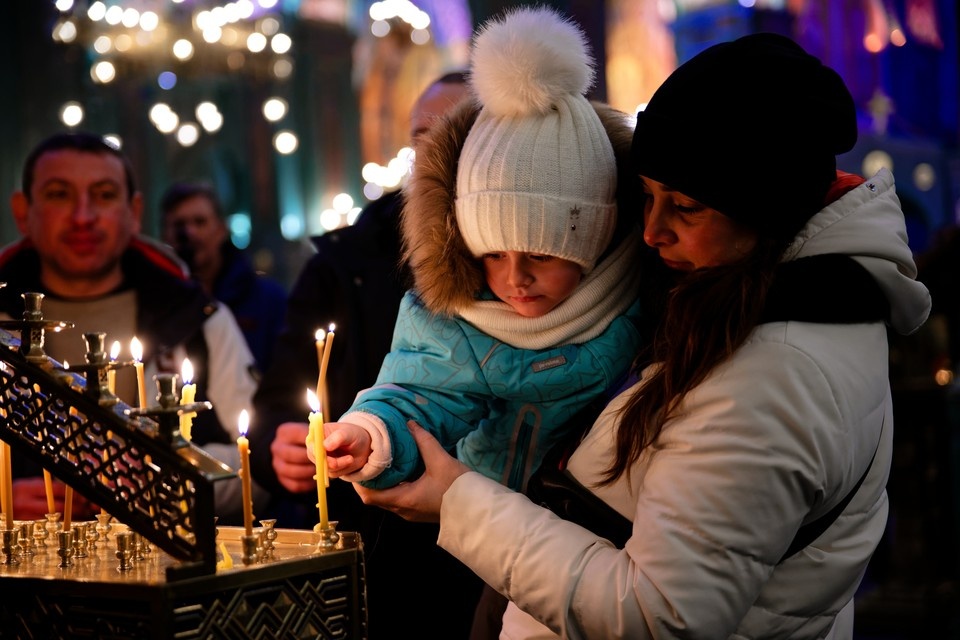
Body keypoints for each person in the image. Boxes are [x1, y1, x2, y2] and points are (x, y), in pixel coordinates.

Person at [355, 28, 933, 640]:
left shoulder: (771, 374)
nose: (651, 233)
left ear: (767, 209)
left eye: (685, 207)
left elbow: (658, 616)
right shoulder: (745, 307)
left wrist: (458, 500)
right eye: (647, 198)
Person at [316, 5, 646, 503]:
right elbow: (419, 393)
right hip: (491, 537)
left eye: (541, 254)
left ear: (593, 237)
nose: (515, 277)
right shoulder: (456, 318)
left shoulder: (642, 296)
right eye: (492, 254)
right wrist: (369, 436)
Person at [246, 72, 486, 639]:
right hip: (380, 557)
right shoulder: (346, 260)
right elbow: (282, 400)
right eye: (423, 135)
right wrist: (282, 445)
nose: (434, 155)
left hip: (506, 548)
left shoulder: (535, 262)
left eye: (459, 135)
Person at [0, 131, 266, 525]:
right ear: (23, 211)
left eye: (104, 195)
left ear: (134, 212)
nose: (83, 216)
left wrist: (162, 480)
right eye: (60, 194)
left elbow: (257, 460)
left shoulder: (196, 320)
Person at [159, 181, 287, 373]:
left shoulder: (267, 299)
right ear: (166, 235)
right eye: (179, 224)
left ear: (221, 230)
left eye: (200, 222)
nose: (190, 232)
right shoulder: (157, 305)